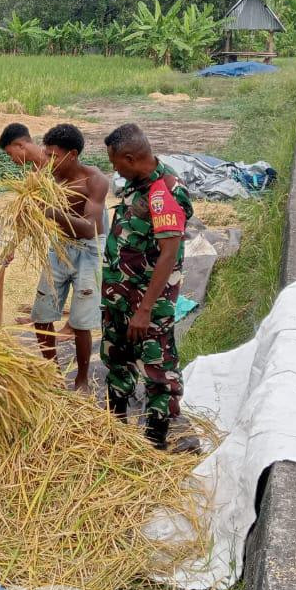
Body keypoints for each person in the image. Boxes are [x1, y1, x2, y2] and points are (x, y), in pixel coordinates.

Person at [100, 124, 193, 450]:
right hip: (119, 299)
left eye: (116, 163)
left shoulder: (163, 192)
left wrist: (144, 309)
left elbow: (169, 254)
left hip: (146, 304)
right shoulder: (137, 184)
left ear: (129, 157)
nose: (114, 170)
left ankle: (155, 440)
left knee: (157, 366)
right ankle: (116, 426)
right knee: (116, 358)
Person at [0, 123, 107, 390]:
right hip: (59, 245)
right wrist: (12, 245)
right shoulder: (42, 177)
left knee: (81, 322)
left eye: (54, 156)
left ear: (72, 155)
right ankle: (53, 374)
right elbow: (29, 216)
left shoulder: (94, 180)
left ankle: (81, 380)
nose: (48, 160)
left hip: (89, 249)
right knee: (42, 313)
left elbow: (92, 228)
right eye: (47, 153)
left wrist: (49, 212)